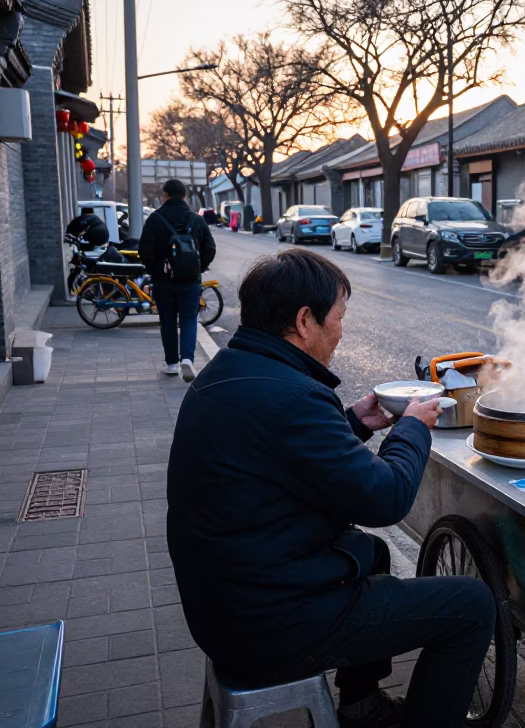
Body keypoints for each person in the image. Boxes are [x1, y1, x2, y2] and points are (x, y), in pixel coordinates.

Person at [167, 249, 495, 728]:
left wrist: (354, 425)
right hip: (269, 624)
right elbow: (386, 499)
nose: (341, 331)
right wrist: (413, 428)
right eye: (338, 318)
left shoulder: (230, 371)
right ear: (304, 321)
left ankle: (361, 708)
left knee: (373, 554)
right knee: (472, 605)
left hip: (225, 600)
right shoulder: (294, 397)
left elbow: (285, 455)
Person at [138, 179, 216, 380]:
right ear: (185, 196)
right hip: (190, 281)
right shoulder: (196, 220)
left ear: (165, 195)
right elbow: (210, 248)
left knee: (168, 321)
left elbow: (144, 250)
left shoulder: (155, 219)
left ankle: (172, 363)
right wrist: (198, 267)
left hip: (163, 281)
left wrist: (156, 270)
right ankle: (188, 359)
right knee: (190, 319)